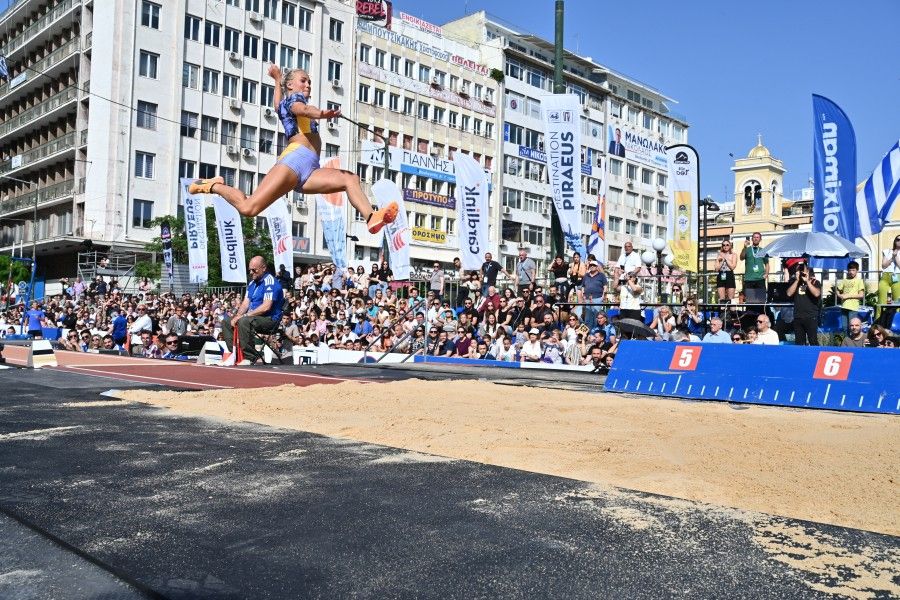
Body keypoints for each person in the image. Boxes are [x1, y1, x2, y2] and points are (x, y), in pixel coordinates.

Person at [188, 65, 398, 232]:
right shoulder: (296, 101)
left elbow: (277, 103)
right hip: (294, 161)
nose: (307, 85)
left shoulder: (284, 103)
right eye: (303, 81)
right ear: (291, 86)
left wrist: (277, 80)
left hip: (311, 168)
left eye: (309, 82)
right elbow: (303, 109)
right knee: (248, 208)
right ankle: (212, 185)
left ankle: (371, 217)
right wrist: (322, 114)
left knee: (349, 179)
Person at [222, 256, 284, 365]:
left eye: (254, 270)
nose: (251, 272)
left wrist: (244, 316)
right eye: (249, 269)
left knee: (244, 321)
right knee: (227, 321)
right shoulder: (252, 284)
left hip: (270, 319)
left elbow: (266, 307)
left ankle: (250, 357)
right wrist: (237, 316)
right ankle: (235, 354)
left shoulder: (270, 282)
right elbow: (245, 303)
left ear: (263, 268)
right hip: (254, 317)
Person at [786, 261, 821, 346]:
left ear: (808, 271)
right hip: (798, 316)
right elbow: (789, 293)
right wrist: (797, 280)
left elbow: (817, 293)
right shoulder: (795, 282)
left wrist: (807, 281)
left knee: (813, 341)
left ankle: (815, 357)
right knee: (799, 343)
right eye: (799, 270)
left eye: (803, 270)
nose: (801, 272)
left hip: (811, 316)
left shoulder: (815, 282)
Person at [835, 261, 866, 331]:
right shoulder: (844, 280)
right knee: (845, 327)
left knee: (852, 327)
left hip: (853, 308)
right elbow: (837, 290)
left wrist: (848, 296)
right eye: (850, 270)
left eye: (853, 270)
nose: (851, 272)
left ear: (857, 271)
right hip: (844, 307)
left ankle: (853, 341)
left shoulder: (859, 281)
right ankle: (847, 341)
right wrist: (840, 295)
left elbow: (861, 295)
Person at [740, 232, 768, 304]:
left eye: (757, 237)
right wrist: (745, 247)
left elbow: (767, 263)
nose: (756, 238)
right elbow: (741, 257)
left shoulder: (763, 250)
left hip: (760, 279)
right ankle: (750, 315)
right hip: (749, 279)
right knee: (750, 301)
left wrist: (766, 274)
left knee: (761, 301)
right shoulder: (747, 249)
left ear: (760, 239)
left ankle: (760, 315)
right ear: (752, 239)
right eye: (754, 237)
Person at [877, 235, 900, 317]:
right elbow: (883, 265)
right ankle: (878, 321)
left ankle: (896, 321)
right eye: (898, 239)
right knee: (881, 300)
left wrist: (896, 256)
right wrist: (892, 257)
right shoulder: (887, 251)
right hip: (886, 275)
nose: (899, 241)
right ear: (895, 241)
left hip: (897, 276)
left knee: (897, 300)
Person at [580, 260, 607, 326]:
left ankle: (596, 333)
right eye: (591, 265)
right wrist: (582, 295)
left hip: (598, 298)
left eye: (594, 265)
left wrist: (603, 296)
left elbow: (605, 287)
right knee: (587, 318)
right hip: (587, 299)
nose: (592, 266)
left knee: (597, 317)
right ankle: (588, 334)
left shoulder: (601, 275)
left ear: (597, 266)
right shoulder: (586, 275)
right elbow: (583, 286)